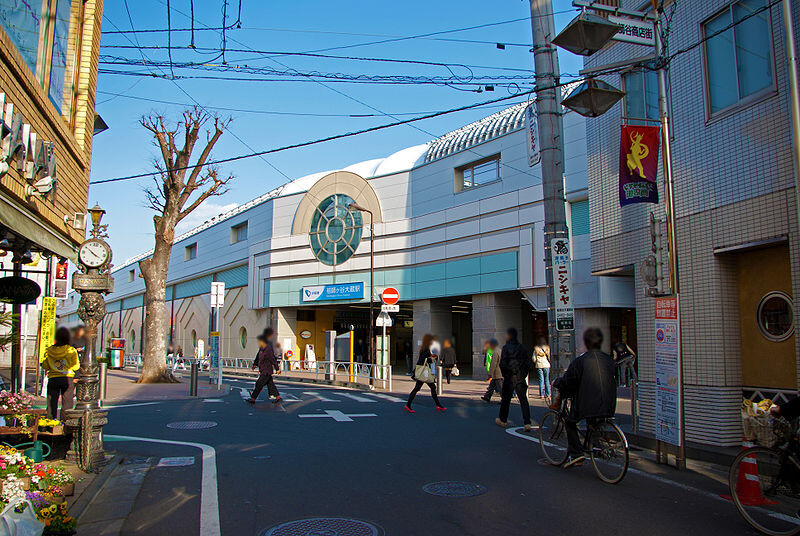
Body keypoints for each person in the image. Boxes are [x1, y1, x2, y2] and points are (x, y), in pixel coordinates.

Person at [551, 328, 617, 468]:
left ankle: (576, 454)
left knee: (570, 422)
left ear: (586, 343)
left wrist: (556, 383)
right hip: (609, 403)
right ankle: (596, 446)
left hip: (588, 404)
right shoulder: (609, 360)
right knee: (593, 422)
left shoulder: (581, 361)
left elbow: (568, 381)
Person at [497, 328, 533, 431]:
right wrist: (523, 374)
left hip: (509, 378)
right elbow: (527, 363)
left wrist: (506, 374)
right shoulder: (522, 347)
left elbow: (502, 364)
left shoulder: (506, 347)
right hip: (520, 377)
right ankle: (527, 422)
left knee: (506, 400)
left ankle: (503, 420)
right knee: (523, 400)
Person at [42, 327, 80, 419]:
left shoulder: (50, 350)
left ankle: (50, 422)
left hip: (53, 378)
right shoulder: (71, 350)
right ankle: (65, 423)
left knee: (51, 402)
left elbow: (45, 366)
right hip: (67, 378)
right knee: (67, 403)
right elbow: (76, 366)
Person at [405, 333, 446, 413]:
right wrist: (434, 357)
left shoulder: (424, 348)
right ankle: (408, 405)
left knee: (424, 388)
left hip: (423, 372)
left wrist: (432, 357)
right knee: (424, 388)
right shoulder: (426, 349)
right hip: (424, 373)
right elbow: (427, 360)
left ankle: (438, 405)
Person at [247, 329, 281, 404]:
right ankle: (278, 397)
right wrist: (254, 364)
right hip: (263, 369)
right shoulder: (261, 349)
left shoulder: (268, 349)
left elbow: (273, 359)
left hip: (266, 370)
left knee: (259, 384)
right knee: (270, 385)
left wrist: (277, 369)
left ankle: (253, 399)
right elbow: (257, 357)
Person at [534, 337, 551, 402]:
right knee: (547, 379)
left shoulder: (536, 348)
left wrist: (536, 362)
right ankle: (548, 394)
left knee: (541, 380)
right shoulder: (547, 348)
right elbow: (549, 356)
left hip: (539, 365)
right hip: (546, 365)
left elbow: (534, 358)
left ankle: (541, 394)